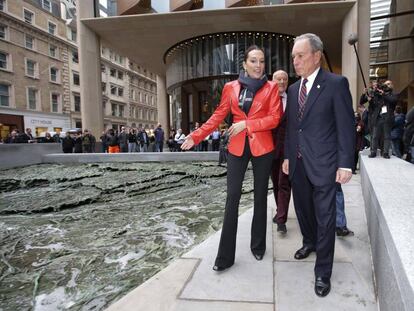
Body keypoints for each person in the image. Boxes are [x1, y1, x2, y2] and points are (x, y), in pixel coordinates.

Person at [181, 45, 282, 271]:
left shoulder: (272, 87)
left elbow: (275, 118)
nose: (258, 65)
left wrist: (247, 124)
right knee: (232, 199)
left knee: (259, 198)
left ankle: (258, 246)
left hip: (263, 146)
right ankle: (225, 257)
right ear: (244, 64)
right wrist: (197, 136)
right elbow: (218, 116)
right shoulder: (230, 87)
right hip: (237, 148)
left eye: (262, 61)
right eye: (253, 61)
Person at [282, 33, 355, 297]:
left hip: (325, 164)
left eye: (300, 56)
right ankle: (309, 242)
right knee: (303, 211)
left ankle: (323, 272)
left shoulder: (336, 84)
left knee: (325, 219)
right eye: (293, 57)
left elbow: (346, 126)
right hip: (299, 165)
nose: (295, 61)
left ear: (316, 56)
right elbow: (293, 127)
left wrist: (346, 163)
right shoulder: (292, 89)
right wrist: (289, 156)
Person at [270, 70, 291, 233]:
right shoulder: (267, 99)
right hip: (269, 149)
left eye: (284, 79)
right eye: (279, 79)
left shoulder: (294, 100)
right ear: (273, 81)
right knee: (275, 183)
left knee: (283, 183)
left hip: (288, 150)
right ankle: (280, 211)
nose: (282, 82)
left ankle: (281, 219)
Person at [363, 80, 398, 158]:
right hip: (378, 118)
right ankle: (373, 152)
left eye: (388, 84)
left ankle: (385, 153)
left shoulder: (394, 94)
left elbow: (393, 101)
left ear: (392, 85)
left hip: (387, 118)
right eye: (385, 84)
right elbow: (371, 100)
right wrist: (373, 91)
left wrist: (384, 94)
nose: (386, 86)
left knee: (386, 136)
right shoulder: (379, 94)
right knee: (375, 136)